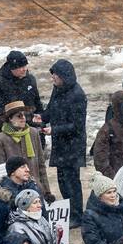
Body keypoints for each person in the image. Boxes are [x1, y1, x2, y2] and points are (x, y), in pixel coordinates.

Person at [45, 59, 87, 227]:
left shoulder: (78, 95)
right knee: (62, 180)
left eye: (55, 75)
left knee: (72, 181)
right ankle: (69, 210)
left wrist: (54, 129)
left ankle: (77, 214)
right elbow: (50, 109)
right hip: (61, 145)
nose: (53, 78)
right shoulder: (58, 89)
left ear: (63, 76)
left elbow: (76, 126)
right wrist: (41, 117)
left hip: (73, 146)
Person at [0, 101, 51, 196]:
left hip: (35, 189)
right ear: (10, 119)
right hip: (14, 192)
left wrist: (47, 191)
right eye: (19, 116)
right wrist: (7, 195)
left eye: (24, 115)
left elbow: (41, 165)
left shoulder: (33, 133)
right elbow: (1, 172)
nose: (23, 118)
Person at [92, 90, 123, 179]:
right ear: (119, 106)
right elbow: (100, 160)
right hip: (114, 180)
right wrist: (114, 178)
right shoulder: (107, 130)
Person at [0, 51, 42, 124]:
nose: (24, 69)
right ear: (11, 68)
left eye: (25, 65)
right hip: (9, 127)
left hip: (31, 124)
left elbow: (37, 102)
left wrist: (41, 117)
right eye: (21, 67)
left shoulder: (30, 80)